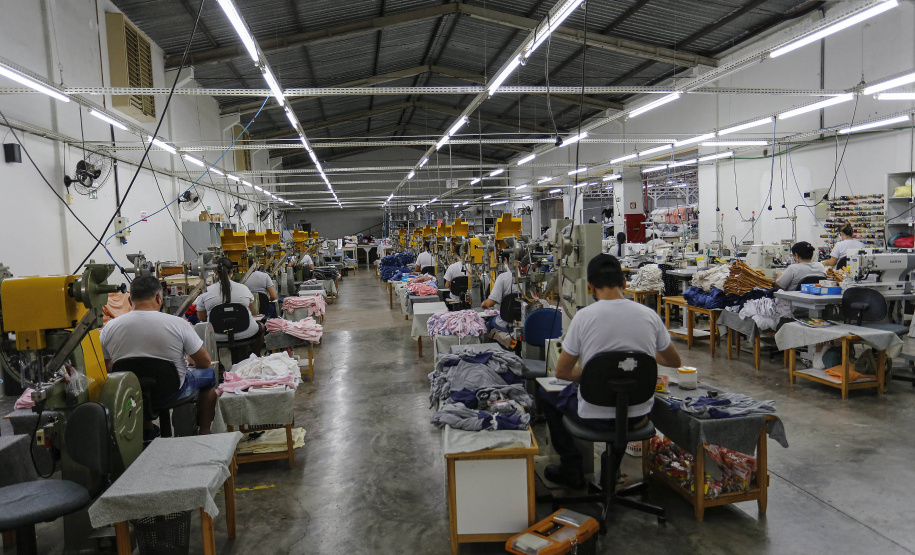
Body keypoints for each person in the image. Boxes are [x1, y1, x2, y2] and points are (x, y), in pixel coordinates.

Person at [540, 254, 681, 488]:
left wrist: (592, 376)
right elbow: (674, 361)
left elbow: (562, 373)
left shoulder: (583, 317)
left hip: (593, 416)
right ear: (624, 283)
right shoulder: (649, 316)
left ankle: (571, 469)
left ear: (590, 286)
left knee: (547, 396)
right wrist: (642, 352)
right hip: (638, 416)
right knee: (625, 395)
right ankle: (611, 468)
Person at [100, 275, 217, 435]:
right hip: (172, 391)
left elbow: (106, 366)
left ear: (129, 300)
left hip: (131, 394)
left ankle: (147, 428)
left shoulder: (109, 328)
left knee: (139, 380)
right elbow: (204, 362)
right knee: (209, 375)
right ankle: (204, 431)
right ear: (159, 297)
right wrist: (185, 361)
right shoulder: (178, 323)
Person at [197, 257, 265, 361]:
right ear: (233, 270)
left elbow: (202, 318)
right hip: (246, 332)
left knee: (205, 334)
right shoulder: (244, 289)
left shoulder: (206, 292)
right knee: (262, 327)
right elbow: (250, 310)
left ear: (215, 272)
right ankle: (254, 357)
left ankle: (218, 364)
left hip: (217, 336)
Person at [481, 253, 520, 330]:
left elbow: (490, 303)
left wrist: (484, 303)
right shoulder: (530, 276)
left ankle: (490, 341)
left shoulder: (502, 277)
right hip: (526, 322)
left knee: (490, 322)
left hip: (507, 324)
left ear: (505, 260)